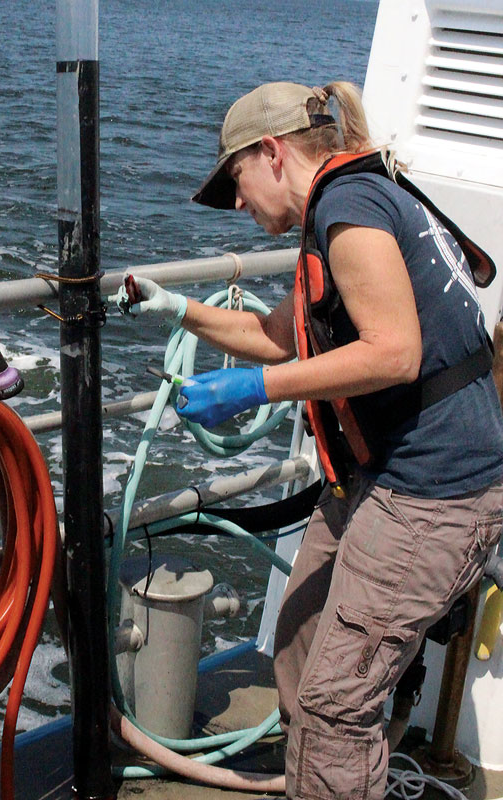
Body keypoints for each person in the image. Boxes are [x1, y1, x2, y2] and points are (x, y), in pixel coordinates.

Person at [115, 81, 503, 799]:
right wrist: (173, 306)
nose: (236, 204)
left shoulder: (349, 206)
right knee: (294, 646)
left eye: (234, 180)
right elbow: (272, 335)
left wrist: (250, 391)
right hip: (374, 476)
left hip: (434, 492)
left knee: (335, 705)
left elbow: (395, 353)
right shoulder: (348, 201)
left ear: (271, 153)